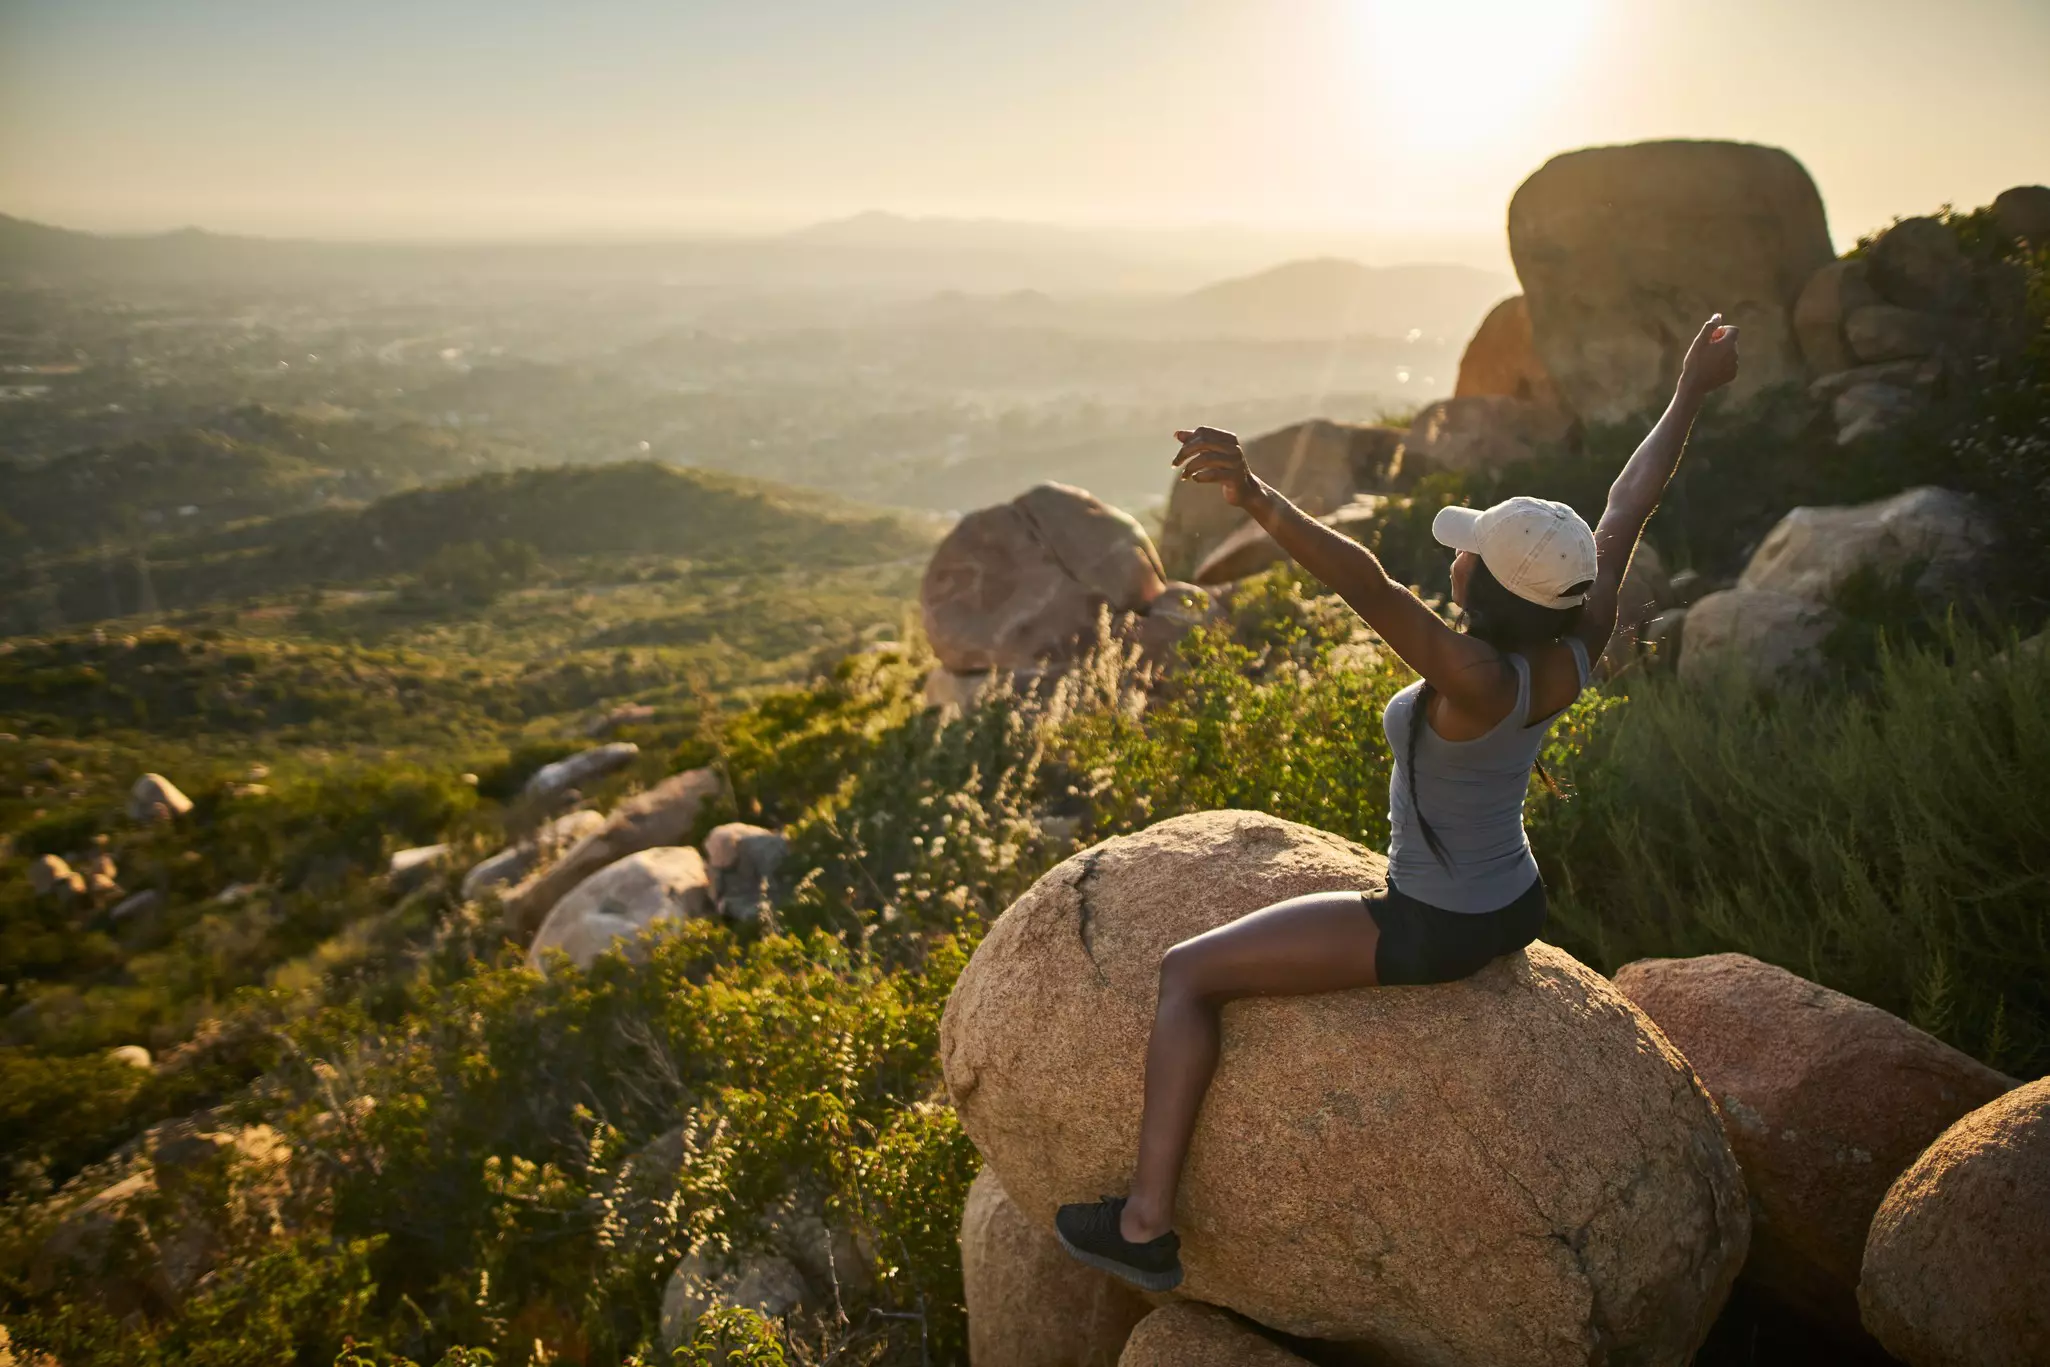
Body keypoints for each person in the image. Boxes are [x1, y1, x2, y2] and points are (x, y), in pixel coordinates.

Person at [1052, 314, 1742, 1292]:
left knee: (1185, 971)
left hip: (1435, 924)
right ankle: (1145, 1215)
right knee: (1214, 956)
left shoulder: (1467, 672)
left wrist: (1253, 490)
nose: (1452, 556)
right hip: (1515, 902)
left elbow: (1362, 581)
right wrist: (1688, 391)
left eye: (1466, 552)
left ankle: (1145, 1221)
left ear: (1481, 583)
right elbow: (1626, 507)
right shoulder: (1572, 644)